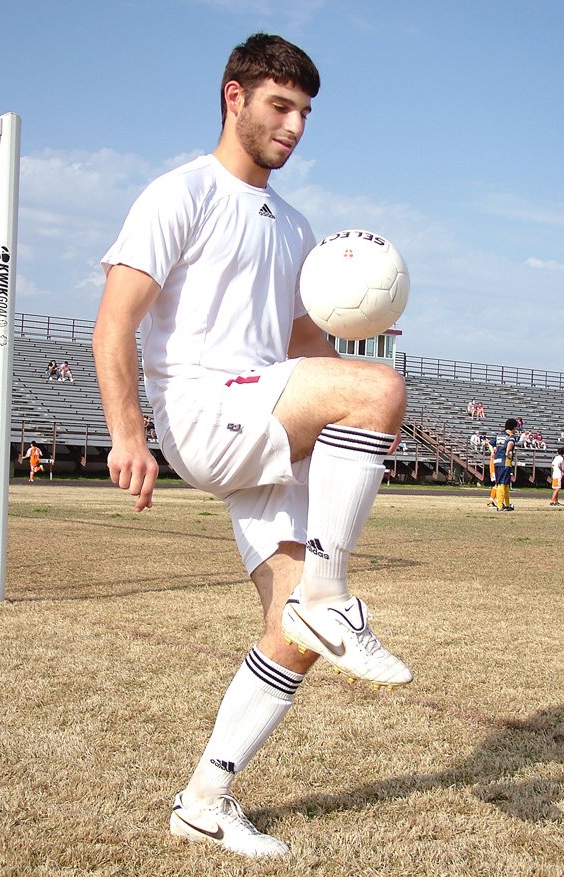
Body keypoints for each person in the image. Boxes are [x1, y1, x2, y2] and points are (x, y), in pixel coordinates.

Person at [93, 32, 412, 859]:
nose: (296, 125)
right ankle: (333, 591)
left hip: (266, 419)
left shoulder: (296, 226)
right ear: (233, 97)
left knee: (292, 632)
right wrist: (129, 431)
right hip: (206, 406)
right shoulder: (181, 193)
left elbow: (307, 351)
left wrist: (354, 342)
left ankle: (206, 797)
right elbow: (114, 321)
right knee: (379, 390)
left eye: (306, 111)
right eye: (280, 105)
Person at [493, 419, 517, 511]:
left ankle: (507, 505)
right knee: (502, 483)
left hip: (497, 461)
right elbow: (511, 443)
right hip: (505, 462)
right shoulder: (511, 436)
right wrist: (507, 451)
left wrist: (492, 451)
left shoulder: (499, 435)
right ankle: (500, 506)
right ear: (514, 427)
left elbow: (490, 443)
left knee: (505, 484)